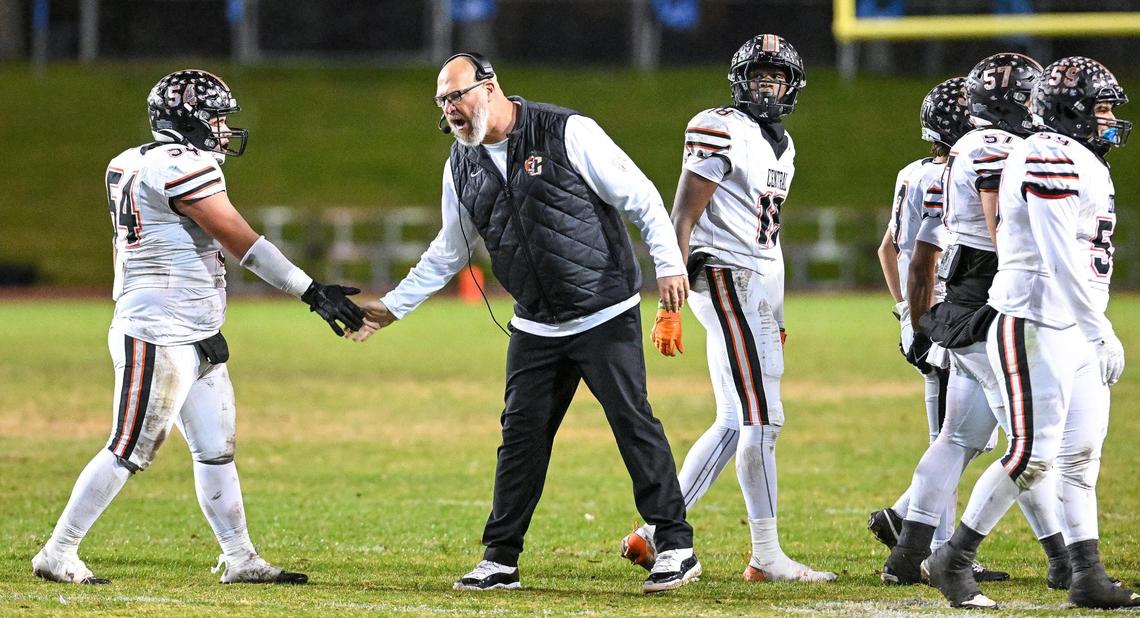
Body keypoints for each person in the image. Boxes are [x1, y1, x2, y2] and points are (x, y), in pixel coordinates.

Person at [348, 52, 699, 594]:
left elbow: (643, 198)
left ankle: (675, 544)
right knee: (520, 439)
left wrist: (670, 265)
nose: (451, 110)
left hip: (603, 307)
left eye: (458, 95)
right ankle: (500, 560)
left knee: (633, 423)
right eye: (443, 102)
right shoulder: (459, 163)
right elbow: (451, 248)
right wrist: (393, 307)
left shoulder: (567, 131)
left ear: (490, 88)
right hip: (536, 322)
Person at [31, 69, 364, 585]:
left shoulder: (133, 160)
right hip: (158, 330)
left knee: (216, 447)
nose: (223, 128)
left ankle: (240, 558)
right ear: (185, 118)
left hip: (193, 327)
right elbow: (242, 242)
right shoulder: (179, 166)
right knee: (130, 448)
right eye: (216, 117)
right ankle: (58, 551)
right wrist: (311, 291)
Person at [924, 56, 1140, 610]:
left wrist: (1092, 327)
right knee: (1032, 455)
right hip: (1034, 322)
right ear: (1069, 111)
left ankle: (1087, 574)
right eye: (1100, 108)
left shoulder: (1081, 158)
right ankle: (953, 556)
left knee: (1080, 457)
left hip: (1074, 324)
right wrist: (1101, 329)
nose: (1110, 119)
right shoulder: (1046, 154)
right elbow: (1056, 252)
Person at [619, 34, 835, 583]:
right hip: (724, 277)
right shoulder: (718, 126)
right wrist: (667, 299)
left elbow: (770, 241)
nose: (768, 85)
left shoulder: (783, 145)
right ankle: (766, 555)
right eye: (759, 75)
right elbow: (682, 218)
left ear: (791, 87)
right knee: (764, 420)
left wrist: (777, 312)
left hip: (755, 284)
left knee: (735, 419)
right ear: (740, 80)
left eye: (777, 77)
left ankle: (653, 532)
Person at [879, 53, 1070, 591]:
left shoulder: (957, 153)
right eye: (1030, 97)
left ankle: (906, 553)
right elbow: (1001, 226)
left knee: (957, 437)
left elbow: (921, 253)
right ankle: (1063, 558)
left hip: (962, 303)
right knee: (1030, 443)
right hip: (993, 302)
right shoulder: (994, 148)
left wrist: (917, 320)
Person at [868, 77, 1008, 582]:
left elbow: (892, 249)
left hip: (929, 310)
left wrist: (907, 311)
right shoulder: (962, 173)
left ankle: (909, 531)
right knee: (966, 438)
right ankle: (935, 549)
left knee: (953, 437)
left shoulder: (915, 173)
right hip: (960, 312)